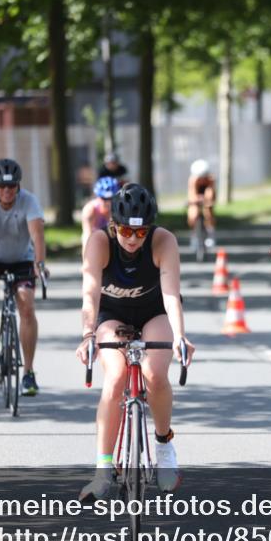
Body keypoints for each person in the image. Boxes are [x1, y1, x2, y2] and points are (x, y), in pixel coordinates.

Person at [75, 183, 195, 500]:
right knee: (115, 377)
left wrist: (180, 336)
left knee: (154, 374)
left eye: (141, 233)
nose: (132, 239)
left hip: (154, 312)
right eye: (126, 231)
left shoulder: (163, 241)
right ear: (114, 225)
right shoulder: (99, 242)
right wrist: (88, 335)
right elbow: (90, 294)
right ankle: (103, 471)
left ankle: (164, 448)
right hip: (112, 314)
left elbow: (171, 295)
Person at [0, 158, 48, 396]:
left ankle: (29, 372)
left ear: (18, 185)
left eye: (12, 186)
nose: (7, 191)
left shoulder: (29, 201)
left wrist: (39, 264)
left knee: (27, 306)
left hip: (22, 258)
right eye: (2, 186)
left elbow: (37, 236)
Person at [81, 176, 119, 248]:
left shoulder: (119, 210)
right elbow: (87, 236)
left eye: (111, 198)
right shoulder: (90, 210)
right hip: (95, 243)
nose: (108, 202)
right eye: (104, 198)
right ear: (97, 196)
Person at [187, 159, 217, 248]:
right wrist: (194, 201)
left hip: (206, 194)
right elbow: (192, 195)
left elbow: (211, 194)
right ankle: (194, 235)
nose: (202, 180)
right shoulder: (193, 180)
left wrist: (209, 201)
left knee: (208, 211)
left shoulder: (210, 179)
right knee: (193, 214)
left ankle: (211, 233)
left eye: (204, 177)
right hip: (196, 194)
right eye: (200, 178)